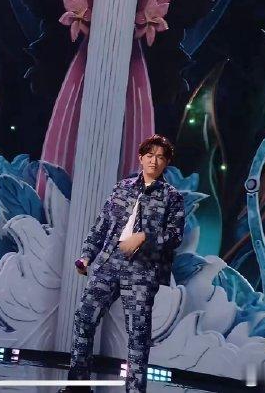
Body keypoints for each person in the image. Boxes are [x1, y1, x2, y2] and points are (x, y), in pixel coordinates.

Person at [63, 134, 185, 393]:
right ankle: (78, 385)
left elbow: (175, 237)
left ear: (166, 163)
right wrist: (86, 256)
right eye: (149, 155)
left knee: (138, 335)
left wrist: (144, 237)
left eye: (160, 157)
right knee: (84, 319)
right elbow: (101, 226)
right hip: (109, 262)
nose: (154, 161)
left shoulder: (172, 197)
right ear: (141, 158)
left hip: (142, 270)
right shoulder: (122, 188)